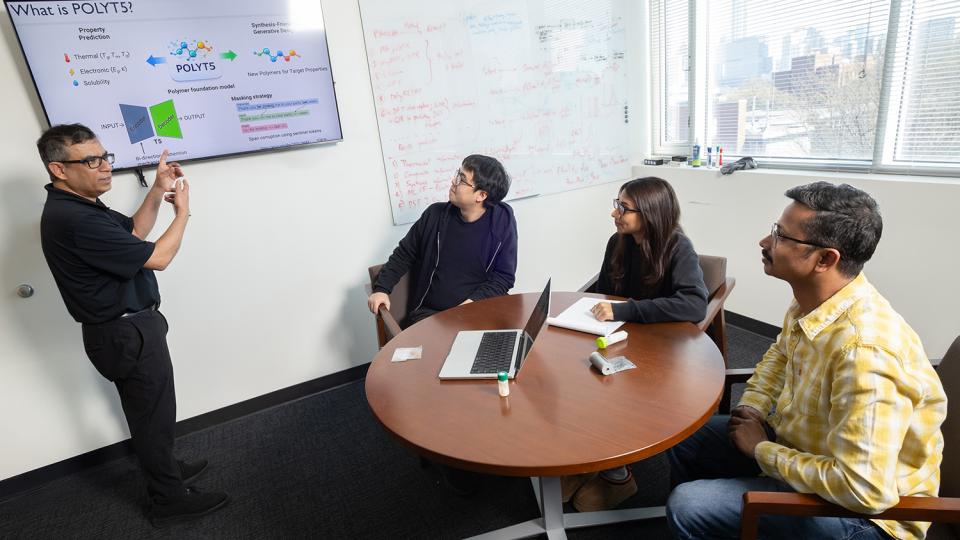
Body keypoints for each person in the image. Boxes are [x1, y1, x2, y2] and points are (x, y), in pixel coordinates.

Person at [666, 182, 947, 540]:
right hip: (807, 453)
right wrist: (752, 407)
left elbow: (864, 489)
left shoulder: (865, 353)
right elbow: (779, 356)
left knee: (688, 505)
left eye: (781, 236)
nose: (765, 243)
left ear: (825, 259)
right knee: (685, 437)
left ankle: (714, 519)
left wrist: (761, 450)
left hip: (868, 518)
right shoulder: (814, 302)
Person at [38, 124, 228, 528]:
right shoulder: (73, 218)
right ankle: (169, 499)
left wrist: (157, 190)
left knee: (150, 414)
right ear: (59, 169)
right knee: (153, 417)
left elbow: (135, 234)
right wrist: (183, 212)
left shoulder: (82, 204)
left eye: (106, 157)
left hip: (128, 329)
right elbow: (157, 257)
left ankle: (166, 471)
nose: (105, 167)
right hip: (125, 333)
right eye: (92, 161)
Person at [565, 177, 708, 512]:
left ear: (649, 212)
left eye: (623, 207)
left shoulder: (678, 247)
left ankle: (618, 476)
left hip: (661, 348)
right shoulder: (618, 241)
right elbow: (602, 290)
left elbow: (694, 305)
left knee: (611, 391)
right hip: (619, 337)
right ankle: (584, 464)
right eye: (617, 203)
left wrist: (626, 309)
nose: (614, 213)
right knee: (577, 378)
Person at [367, 154, 518, 328]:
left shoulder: (502, 220)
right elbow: (404, 254)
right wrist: (381, 289)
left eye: (461, 179)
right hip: (431, 315)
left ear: (481, 195)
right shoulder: (435, 215)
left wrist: (469, 307)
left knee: (509, 347)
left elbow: (503, 277)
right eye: (457, 174)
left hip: (478, 311)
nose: (453, 182)